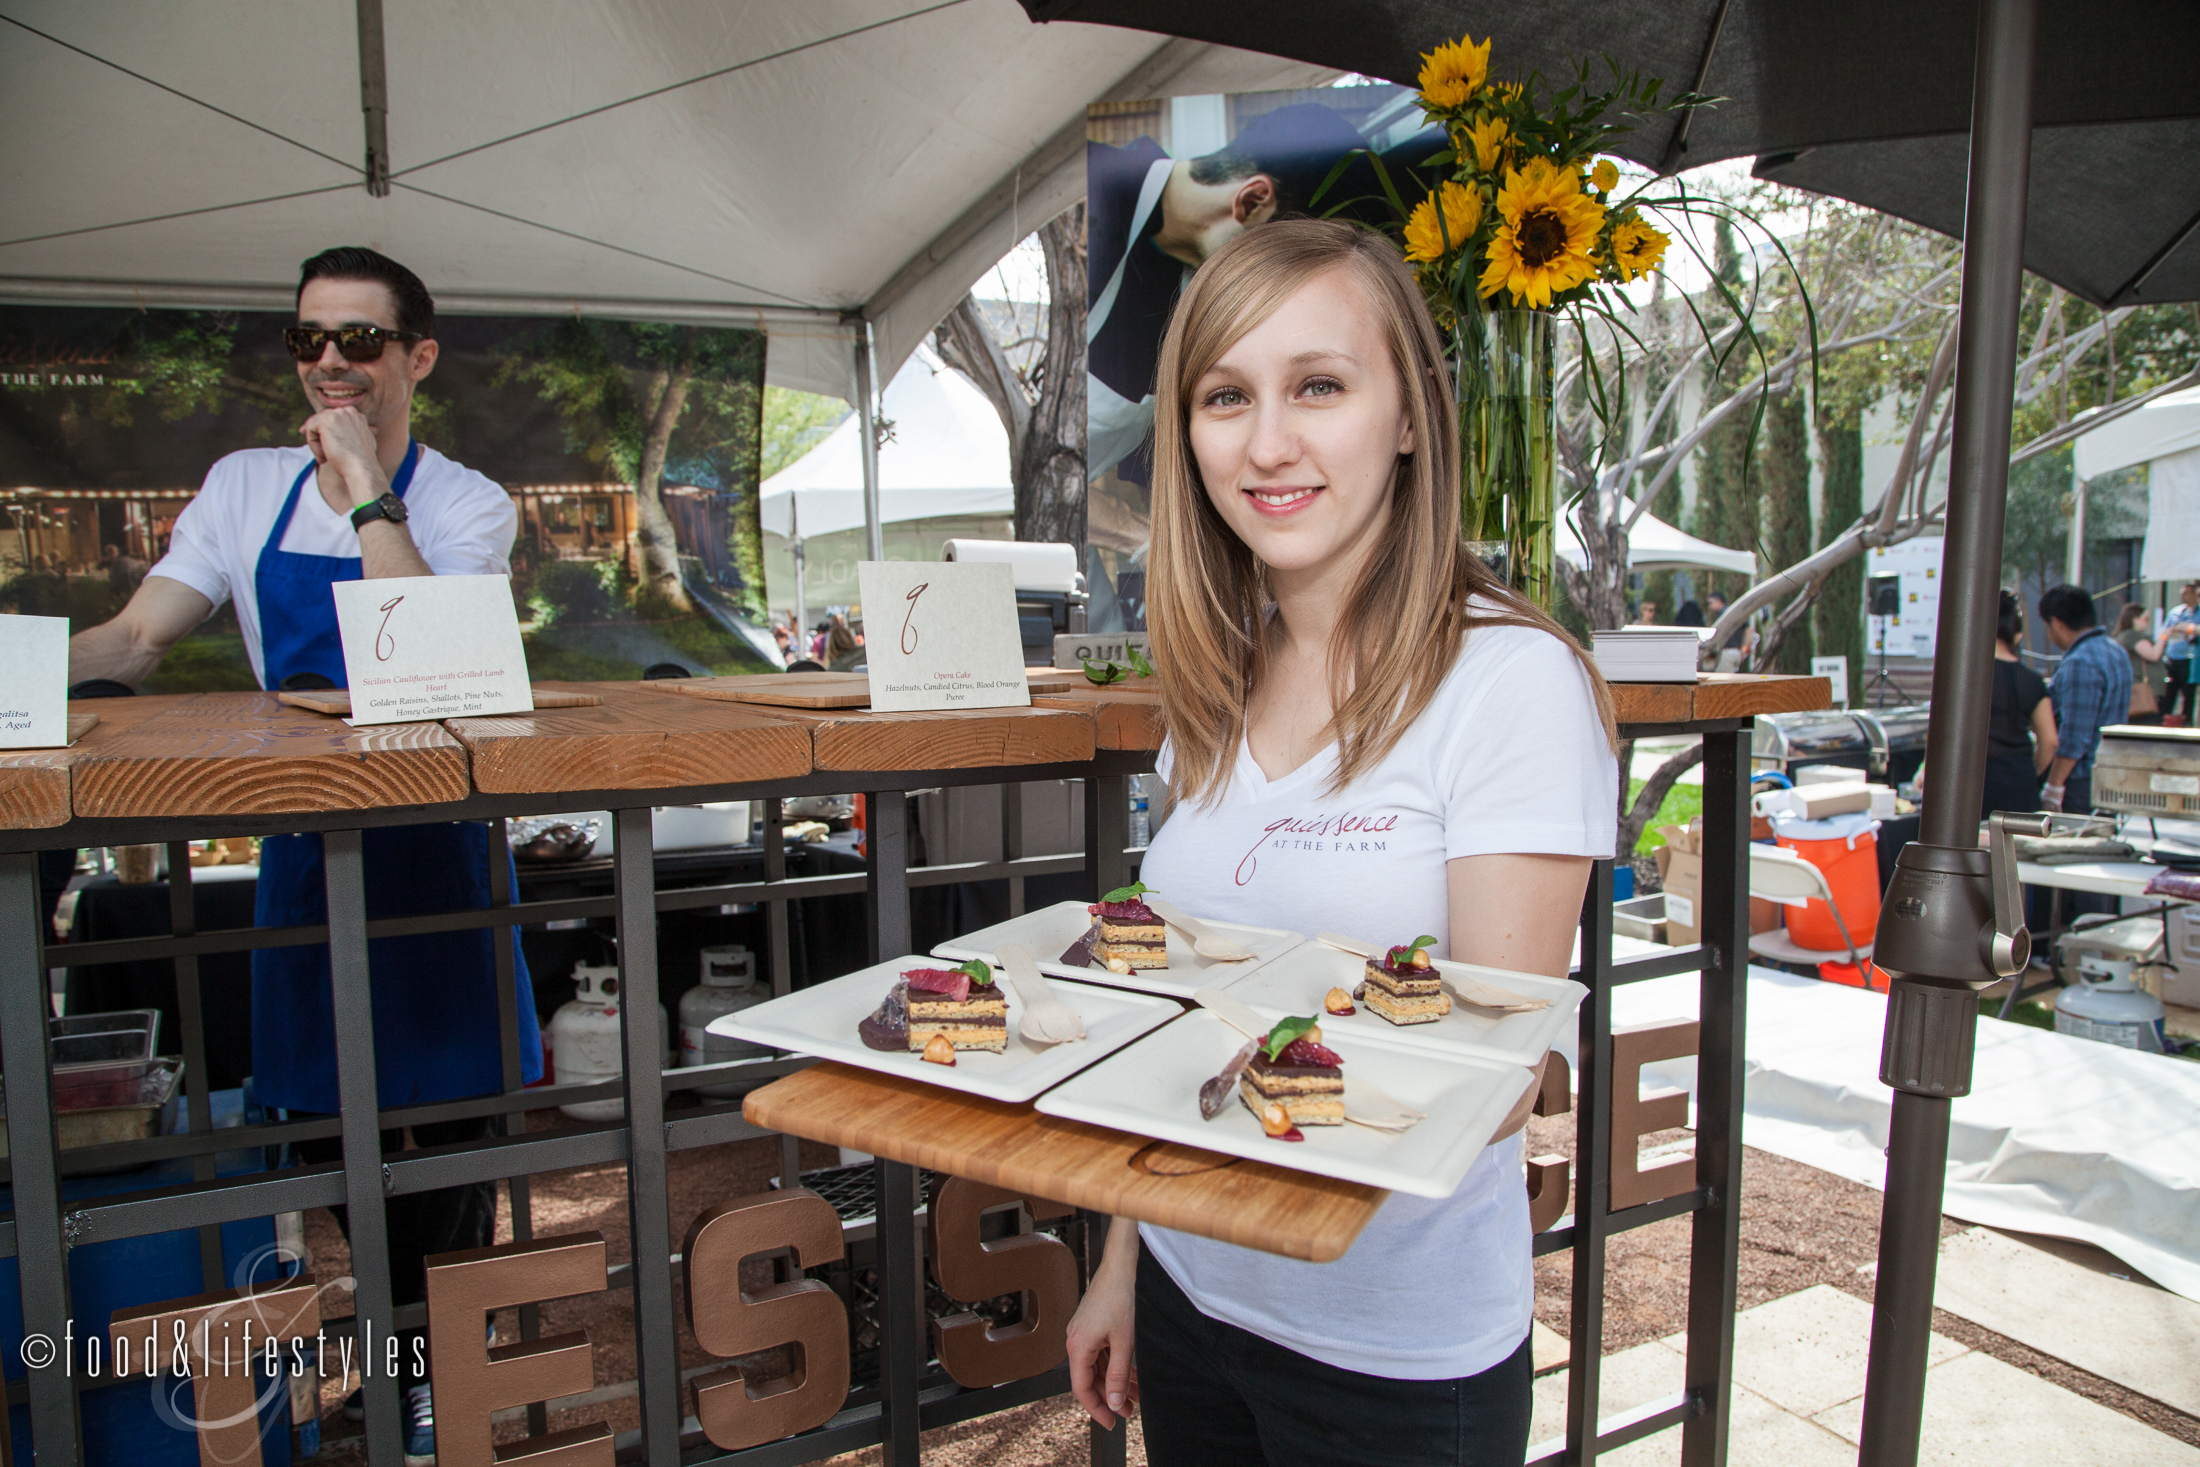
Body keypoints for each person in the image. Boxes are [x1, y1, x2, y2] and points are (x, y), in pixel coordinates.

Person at [1064, 218, 1616, 1466]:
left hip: (1392, 1354)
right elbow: (1163, 1014)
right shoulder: (1213, 686)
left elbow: (1495, 1084)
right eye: (1225, 396)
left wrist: (1226, 1067)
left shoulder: (1511, 684)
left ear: (1410, 415)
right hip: (1195, 1305)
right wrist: (1126, 1262)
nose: (1267, 443)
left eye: (1319, 385)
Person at [66, 246, 541, 1459]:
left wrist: (369, 487)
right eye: (308, 341)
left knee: (453, 1142)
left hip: (433, 855)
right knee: (333, 1142)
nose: (330, 362)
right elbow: (134, 637)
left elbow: (430, 656)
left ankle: (437, 1385)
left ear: (416, 357)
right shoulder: (241, 486)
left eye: (359, 341)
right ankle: (392, 1368)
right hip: (302, 857)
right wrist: (21, 674)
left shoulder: (466, 501)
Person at [1087, 103, 1395, 486]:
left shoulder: (1193, 292)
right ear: (1251, 202)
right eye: (1287, 267)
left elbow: (1136, 477)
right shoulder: (1077, 195)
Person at [2039, 584, 2130, 817]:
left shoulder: (2080, 662)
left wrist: (2054, 785)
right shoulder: (2116, 651)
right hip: (2109, 773)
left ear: (2057, 623)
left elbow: (2075, 735)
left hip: (2079, 780)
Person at [1984, 590, 2055, 817]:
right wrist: (2030, 773)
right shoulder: (2032, 680)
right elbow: (2050, 740)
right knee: (2017, 851)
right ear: (2017, 636)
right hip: (2020, 782)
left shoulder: (1966, 676)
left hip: (1975, 784)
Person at [2112, 601, 2166, 724]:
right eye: (2145, 619)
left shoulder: (2123, 635)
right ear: (2135, 619)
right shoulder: (2132, 636)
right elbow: (2153, 655)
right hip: (2140, 691)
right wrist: (2164, 637)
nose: (2147, 623)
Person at [2161, 580, 2200, 723]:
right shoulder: (2175, 612)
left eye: (2187, 593)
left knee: (2189, 694)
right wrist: (2167, 635)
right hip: (2173, 657)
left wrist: (2189, 629)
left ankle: (2187, 721)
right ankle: (2165, 720)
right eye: (2181, 593)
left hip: (2190, 658)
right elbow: (2163, 632)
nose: (2183, 596)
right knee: (2169, 693)